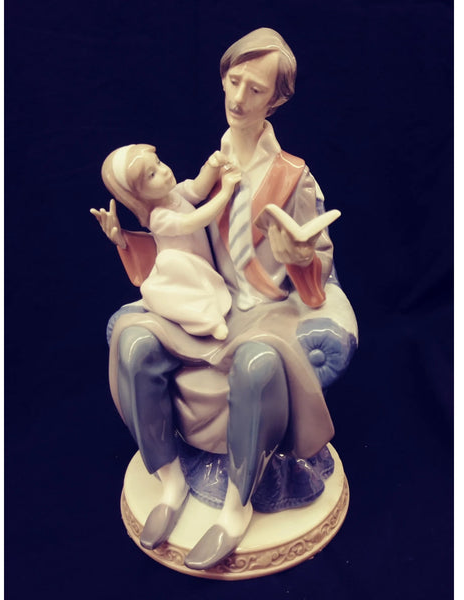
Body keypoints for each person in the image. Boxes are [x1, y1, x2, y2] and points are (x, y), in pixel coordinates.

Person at [106, 28, 355, 570]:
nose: (239, 98)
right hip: (210, 302)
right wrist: (126, 237)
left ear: (276, 100)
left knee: (257, 365)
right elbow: (174, 224)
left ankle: (236, 507)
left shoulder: (293, 176)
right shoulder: (216, 161)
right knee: (133, 344)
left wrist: (299, 258)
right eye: (234, 81)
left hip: (270, 311)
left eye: (256, 89)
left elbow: (321, 265)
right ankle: (170, 479)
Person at [92, 144, 240, 340]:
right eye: (152, 175)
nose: (163, 171)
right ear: (137, 196)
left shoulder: (175, 194)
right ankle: (210, 322)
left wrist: (213, 166)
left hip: (201, 266)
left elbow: (198, 189)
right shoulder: (158, 217)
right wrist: (225, 192)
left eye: (159, 163)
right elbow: (193, 221)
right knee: (173, 271)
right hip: (180, 273)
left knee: (203, 284)